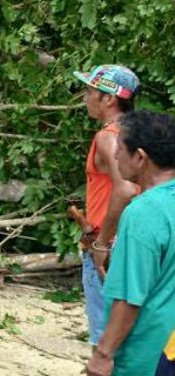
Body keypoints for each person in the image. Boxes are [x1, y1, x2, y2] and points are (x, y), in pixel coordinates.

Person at [84, 111, 175, 376]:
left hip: (147, 353)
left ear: (140, 157)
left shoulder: (143, 212)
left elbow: (129, 297)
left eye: (120, 149)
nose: (114, 156)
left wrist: (103, 354)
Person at [73, 64, 141, 347]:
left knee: (106, 343)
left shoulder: (108, 137)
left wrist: (101, 244)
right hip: (136, 244)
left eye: (90, 91)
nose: (85, 97)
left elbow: (126, 189)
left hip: (110, 248)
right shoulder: (141, 134)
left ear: (109, 98)